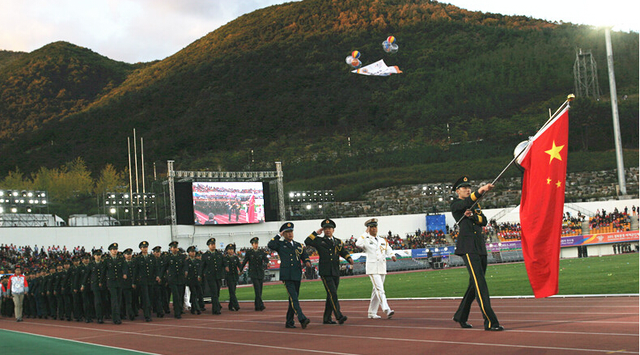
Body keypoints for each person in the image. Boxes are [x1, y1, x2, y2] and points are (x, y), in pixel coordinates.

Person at [450, 175, 504, 331]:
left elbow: (484, 220)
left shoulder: (474, 205)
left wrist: (473, 215)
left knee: (474, 285)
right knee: (480, 284)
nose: (467, 190)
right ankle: (490, 321)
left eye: (469, 188)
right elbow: (465, 204)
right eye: (464, 188)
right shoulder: (456, 204)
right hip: (468, 248)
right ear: (457, 191)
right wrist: (480, 191)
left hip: (479, 246)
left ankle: (460, 316)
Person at [305, 218, 353, 325]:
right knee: (333, 293)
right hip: (325, 271)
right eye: (326, 228)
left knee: (330, 295)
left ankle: (326, 318)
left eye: (330, 228)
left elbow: (343, 251)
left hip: (335, 270)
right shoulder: (319, 241)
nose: (328, 230)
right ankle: (338, 315)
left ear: (333, 230)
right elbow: (307, 241)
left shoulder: (338, 241)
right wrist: (316, 233)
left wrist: (348, 258)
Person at [268, 222, 312, 329]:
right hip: (287, 275)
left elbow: (304, 255)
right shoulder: (280, 244)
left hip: (297, 273)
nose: (290, 234)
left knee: (293, 299)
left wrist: (307, 261)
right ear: (283, 234)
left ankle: (289, 321)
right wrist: (279, 235)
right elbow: (270, 245)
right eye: (287, 232)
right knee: (294, 298)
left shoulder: (298, 245)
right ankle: (302, 318)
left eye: (291, 232)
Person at [356, 218, 396, 319]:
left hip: (382, 267)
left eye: (375, 227)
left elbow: (388, 249)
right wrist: (365, 233)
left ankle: (371, 312)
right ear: (368, 228)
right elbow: (358, 244)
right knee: (380, 289)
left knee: (376, 291)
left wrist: (392, 255)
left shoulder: (382, 240)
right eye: (371, 227)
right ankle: (386, 309)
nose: (374, 229)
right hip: (372, 268)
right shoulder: (365, 239)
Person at [241, 237, 270, 311]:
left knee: (260, 290)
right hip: (253, 273)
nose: (256, 245)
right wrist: (240, 269)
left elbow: (265, 259)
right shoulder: (249, 253)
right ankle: (261, 304)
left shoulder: (261, 252)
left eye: (257, 243)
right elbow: (244, 261)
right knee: (257, 289)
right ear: (252, 244)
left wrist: (267, 262)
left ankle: (257, 306)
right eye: (254, 244)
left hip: (260, 272)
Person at [133, 241, 156, 322]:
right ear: (140, 248)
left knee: (150, 297)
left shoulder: (151, 257)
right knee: (146, 299)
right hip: (143, 282)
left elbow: (155, 269)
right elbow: (135, 271)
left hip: (151, 281)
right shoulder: (138, 259)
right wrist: (134, 282)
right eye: (143, 247)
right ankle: (147, 315)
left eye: (146, 247)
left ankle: (149, 313)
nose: (145, 249)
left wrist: (157, 276)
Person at [201, 238, 224, 315]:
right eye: (211, 244)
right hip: (210, 276)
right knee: (214, 292)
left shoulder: (219, 254)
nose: (213, 246)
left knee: (217, 293)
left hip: (218, 276)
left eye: (214, 244)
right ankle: (216, 309)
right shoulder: (205, 256)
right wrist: (200, 275)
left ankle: (216, 307)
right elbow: (202, 266)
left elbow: (223, 264)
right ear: (208, 246)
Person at [104, 242, 125, 324]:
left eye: (116, 249)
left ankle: (118, 316)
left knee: (119, 300)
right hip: (111, 283)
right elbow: (103, 272)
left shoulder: (120, 259)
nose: (115, 251)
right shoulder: (107, 260)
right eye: (113, 249)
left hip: (119, 282)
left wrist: (125, 273)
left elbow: (124, 267)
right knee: (114, 301)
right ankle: (115, 318)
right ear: (110, 251)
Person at [165, 241, 186, 319]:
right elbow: (164, 267)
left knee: (180, 295)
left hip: (180, 278)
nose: (175, 249)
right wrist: (160, 276)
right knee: (176, 296)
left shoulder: (181, 257)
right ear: (170, 249)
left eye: (176, 247)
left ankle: (179, 309)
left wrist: (185, 272)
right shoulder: (168, 257)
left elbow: (185, 266)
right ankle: (177, 313)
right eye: (173, 248)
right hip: (172, 279)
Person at [223, 243, 241, 311]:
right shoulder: (225, 258)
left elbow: (239, 265)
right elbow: (225, 265)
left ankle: (230, 305)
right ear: (227, 251)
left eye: (232, 249)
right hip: (229, 276)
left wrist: (241, 270)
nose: (231, 251)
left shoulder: (235, 258)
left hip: (235, 276)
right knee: (232, 291)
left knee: (233, 291)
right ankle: (236, 305)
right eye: (229, 250)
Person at [185, 246, 202, 315]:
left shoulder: (198, 261)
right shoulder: (187, 262)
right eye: (192, 252)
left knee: (198, 293)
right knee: (194, 293)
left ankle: (193, 308)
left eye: (194, 252)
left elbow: (200, 270)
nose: (193, 253)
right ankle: (197, 309)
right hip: (190, 280)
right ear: (189, 253)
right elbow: (186, 270)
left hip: (197, 280)